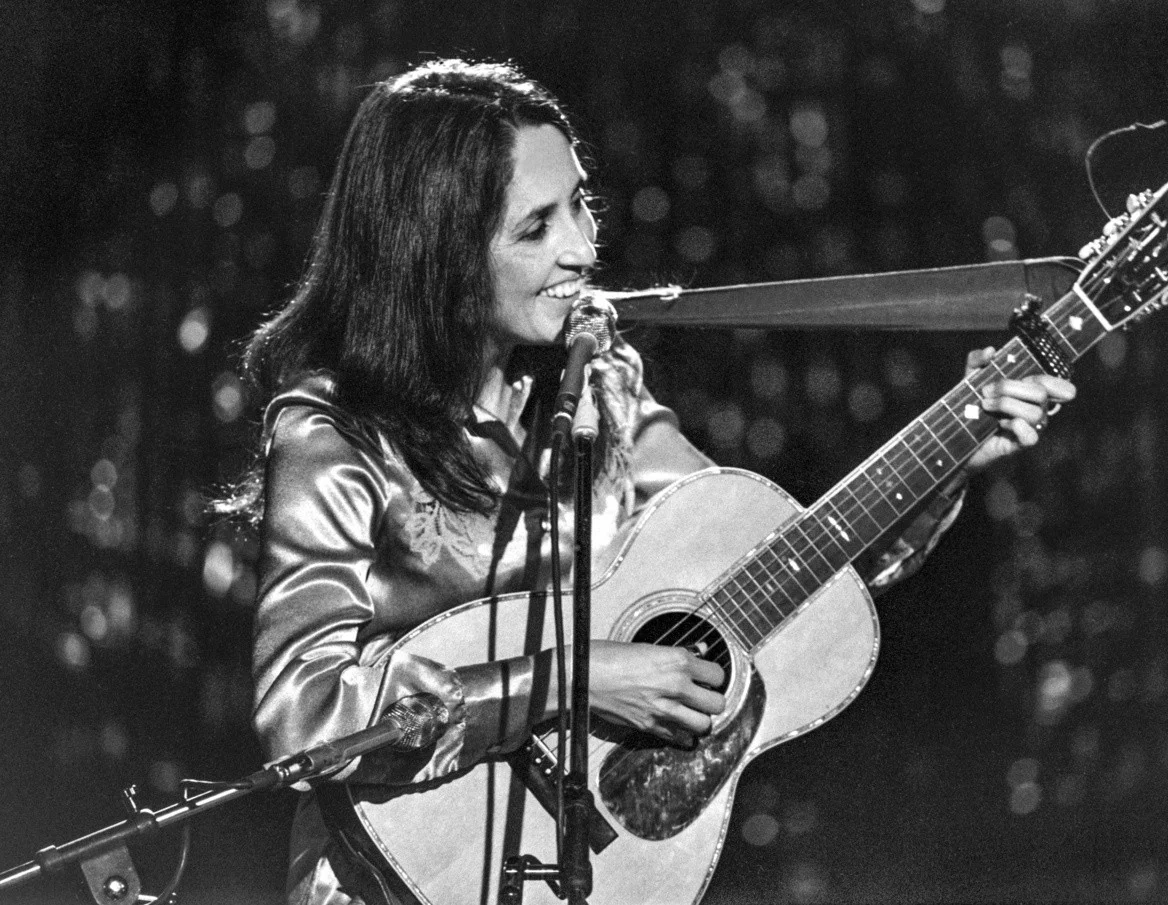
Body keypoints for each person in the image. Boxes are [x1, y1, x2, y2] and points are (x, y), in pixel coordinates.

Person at [225, 58, 1076, 905]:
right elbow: (305, 722)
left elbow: (777, 573)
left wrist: (955, 450)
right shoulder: (334, 433)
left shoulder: (600, 381)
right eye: (535, 227)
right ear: (436, 251)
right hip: (391, 879)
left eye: (580, 202)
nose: (584, 247)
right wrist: (576, 678)